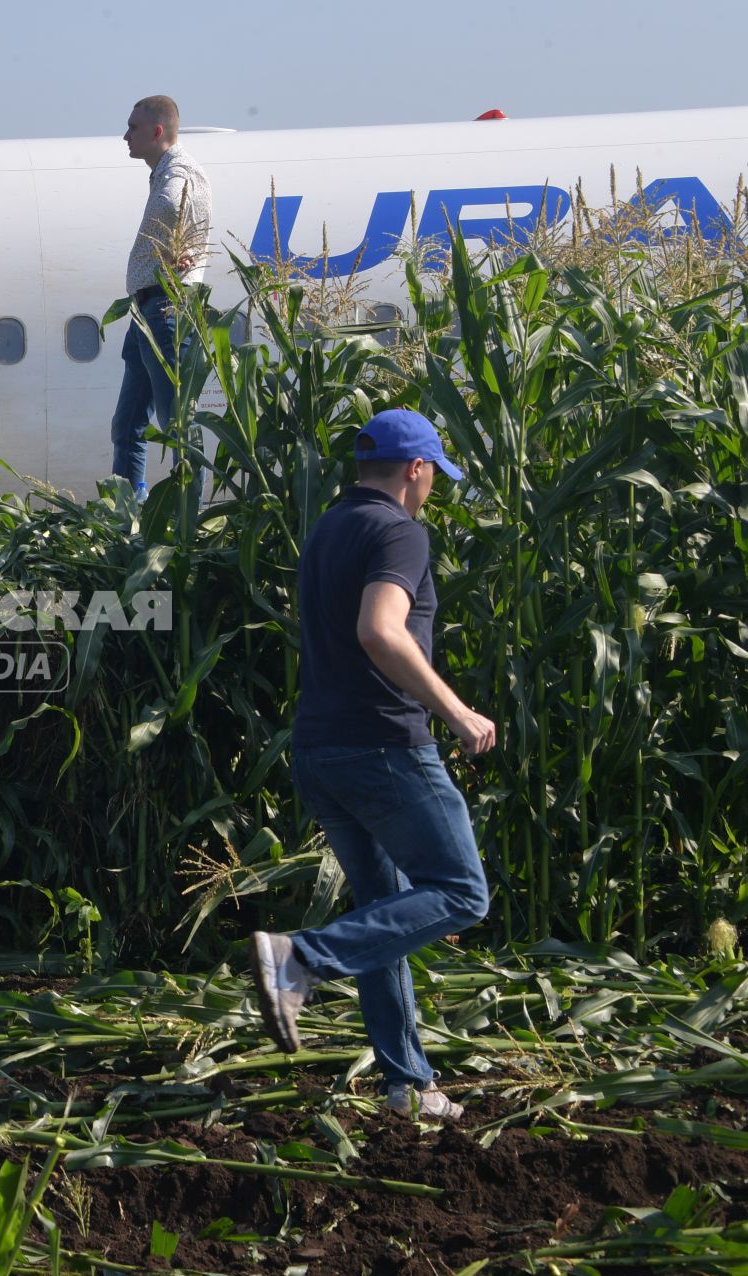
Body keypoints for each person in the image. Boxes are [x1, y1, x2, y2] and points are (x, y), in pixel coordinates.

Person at [251, 409, 496, 1121]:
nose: (431, 492)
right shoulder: (399, 531)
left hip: (320, 749)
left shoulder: (329, 527)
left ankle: (407, 1086)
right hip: (384, 747)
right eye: (433, 478)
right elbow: (379, 631)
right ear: (416, 470)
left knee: (384, 913)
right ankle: (300, 959)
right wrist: (456, 712)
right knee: (460, 892)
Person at [112, 94, 213, 500]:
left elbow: (175, 203)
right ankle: (126, 508)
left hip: (168, 308)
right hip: (148, 309)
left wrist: (174, 243)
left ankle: (184, 515)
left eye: (133, 127)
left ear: (157, 131)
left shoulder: (180, 172)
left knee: (176, 422)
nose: (125, 136)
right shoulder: (166, 172)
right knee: (128, 424)